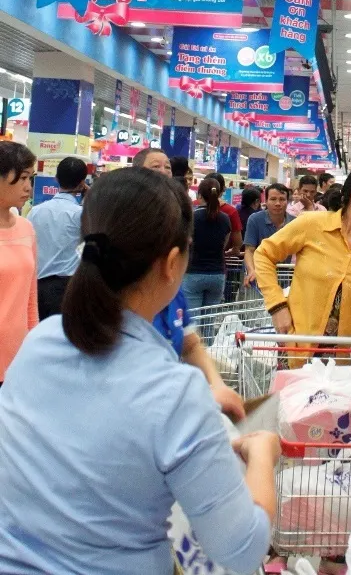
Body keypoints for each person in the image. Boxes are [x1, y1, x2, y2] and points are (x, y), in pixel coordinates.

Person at [0, 167, 278, 574]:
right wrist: (262, 455)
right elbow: (241, 548)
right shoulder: (175, 393)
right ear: (171, 263)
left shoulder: (39, 344)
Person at [136, 152, 244, 419]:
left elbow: (191, 344)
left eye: (167, 166)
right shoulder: (113, 308)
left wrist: (216, 384)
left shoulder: (173, 293)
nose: (164, 171)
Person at [252, 165, 351, 346]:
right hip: (299, 349)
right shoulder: (311, 225)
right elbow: (264, 254)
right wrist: (277, 306)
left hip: (349, 356)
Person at [28, 156, 88, 320]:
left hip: (37, 286)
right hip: (67, 287)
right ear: (82, 183)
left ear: (56, 178)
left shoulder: (35, 212)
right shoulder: (80, 214)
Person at [0, 142, 37, 388]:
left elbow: (30, 298)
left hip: (18, 355)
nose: (28, 187)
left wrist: (34, 343)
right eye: (23, 178)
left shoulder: (26, 228)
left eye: (30, 178)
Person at [183, 177, 231, 340]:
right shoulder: (225, 218)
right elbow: (224, 245)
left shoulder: (192, 217)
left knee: (193, 323)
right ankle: (210, 352)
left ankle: (194, 355)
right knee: (209, 323)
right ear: (219, 194)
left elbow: (186, 242)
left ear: (199, 195)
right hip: (217, 275)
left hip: (193, 273)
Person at [243, 182, 290, 286]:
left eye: (282, 199)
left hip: (285, 278)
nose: (278, 203)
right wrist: (251, 270)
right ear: (266, 201)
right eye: (273, 199)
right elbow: (249, 250)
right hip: (260, 277)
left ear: (288, 201)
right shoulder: (255, 219)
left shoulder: (294, 222)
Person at [208, 172, 243, 252]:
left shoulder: (193, 207)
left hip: (193, 257)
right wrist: (232, 251)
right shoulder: (231, 211)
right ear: (224, 189)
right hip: (219, 256)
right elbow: (238, 243)